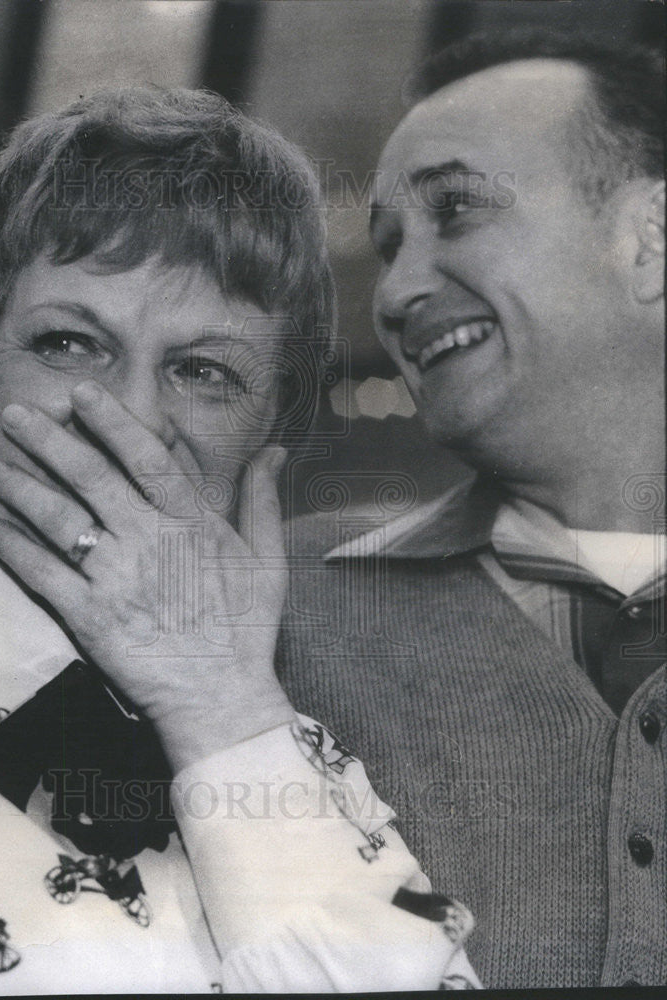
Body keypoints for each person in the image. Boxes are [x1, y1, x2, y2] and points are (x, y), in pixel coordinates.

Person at [0, 88, 480, 994]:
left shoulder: (297, 754)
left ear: (263, 452)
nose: (128, 418)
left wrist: (217, 707)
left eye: (202, 372)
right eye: (70, 345)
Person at [277, 28, 666, 989]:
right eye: (389, 246)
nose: (398, 292)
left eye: (456, 211)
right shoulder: (272, 605)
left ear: (651, 242)